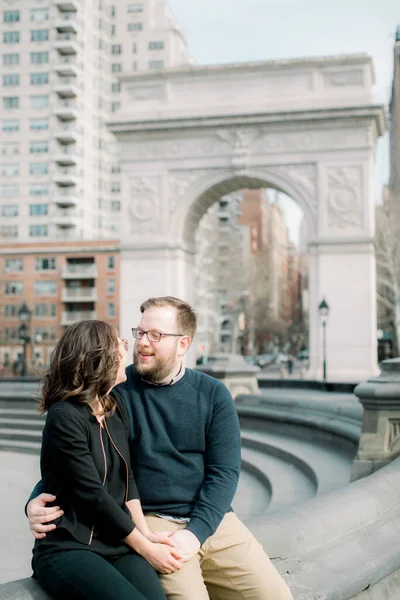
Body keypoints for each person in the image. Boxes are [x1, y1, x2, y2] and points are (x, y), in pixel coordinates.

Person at [28, 298, 293, 600]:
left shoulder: (213, 394)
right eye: (139, 333)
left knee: (277, 596)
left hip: (211, 519)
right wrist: (36, 500)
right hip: (151, 518)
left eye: (155, 335)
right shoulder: (116, 392)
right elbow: (81, 460)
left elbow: (225, 472)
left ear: (183, 344)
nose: (142, 343)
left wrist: (196, 533)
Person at [31, 319, 183, 600]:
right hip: (70, 545)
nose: (126, 351)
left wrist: (146, 533)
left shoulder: (115, 405)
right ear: (100, 358)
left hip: (116, 540)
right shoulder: (64, 417)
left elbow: (127, 479)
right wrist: (146, 548)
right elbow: (91, 495)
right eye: (121, 345)